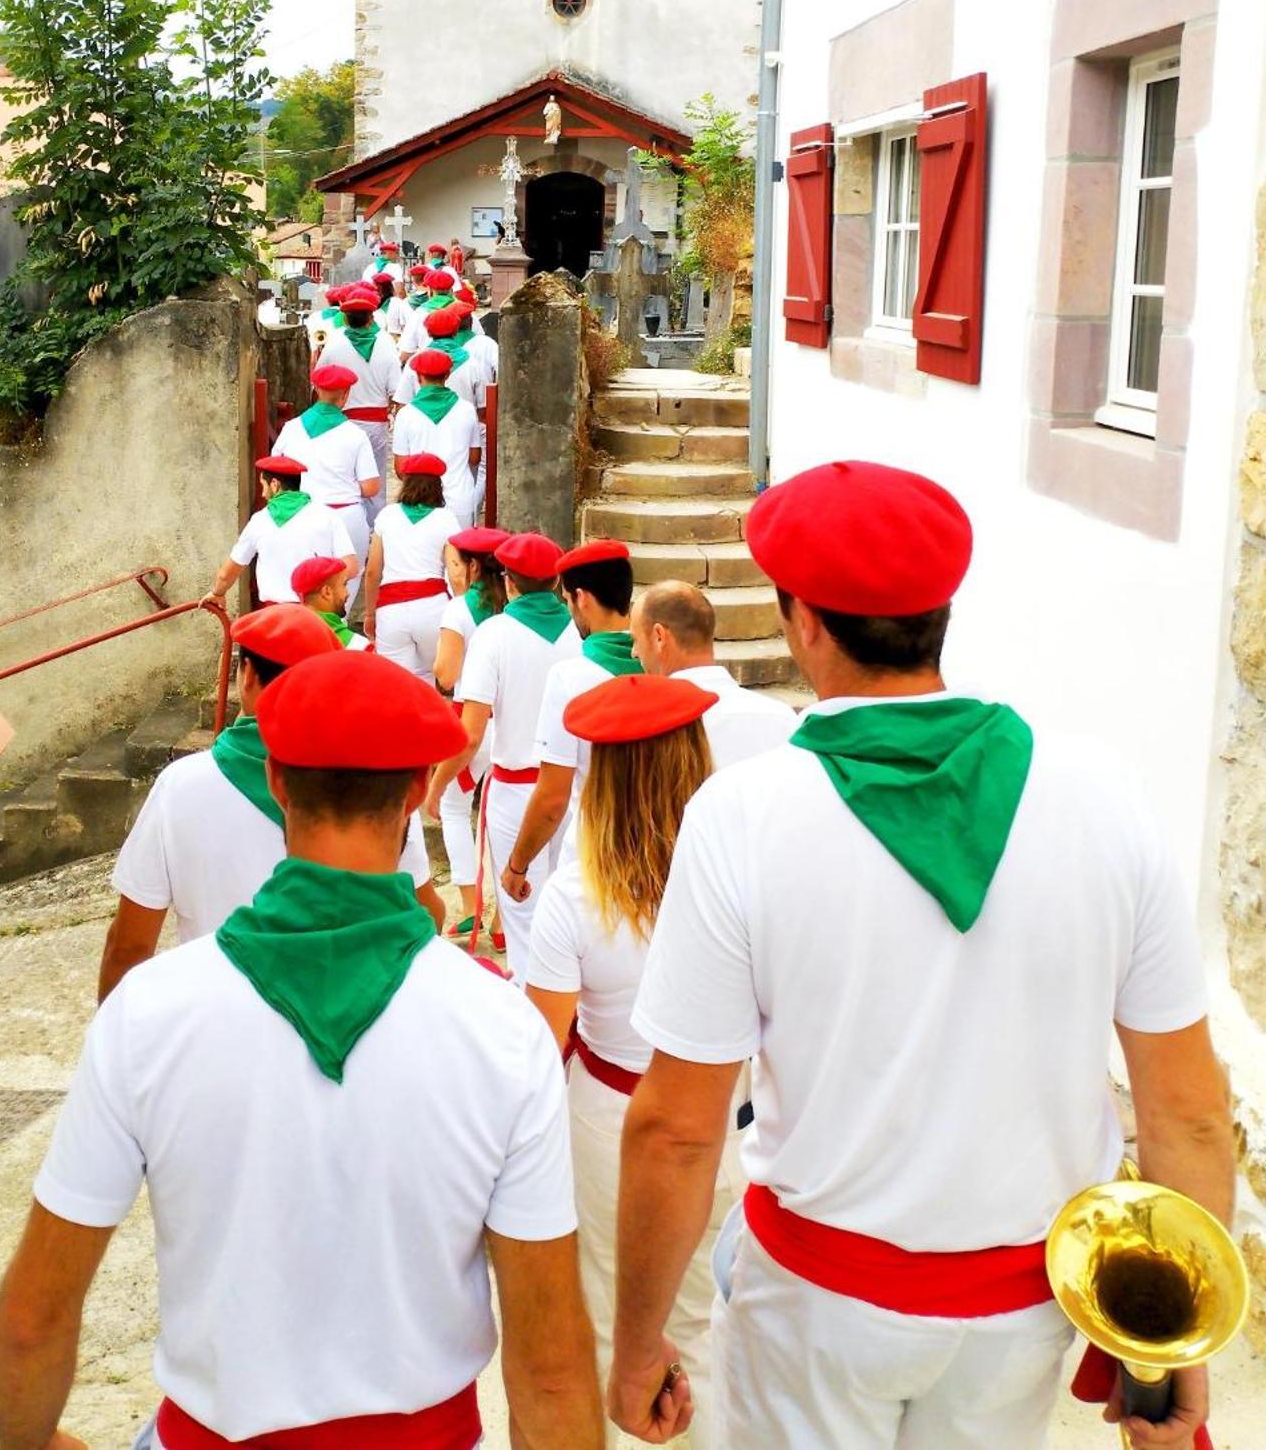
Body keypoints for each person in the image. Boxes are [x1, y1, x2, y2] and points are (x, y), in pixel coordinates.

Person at [611, 460, 1233, 1450]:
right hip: (1018, 1309)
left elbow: (674, 1132)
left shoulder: (741, 814)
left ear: (801, 619)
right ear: (939, 609)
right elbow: (1187, 1110)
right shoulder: (1103, 795)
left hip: (814, 1304)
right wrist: (1170, 1345)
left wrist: (637, 1340)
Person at [0, 652, 606, 1450]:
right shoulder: (501, 1027)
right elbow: (551, 1366)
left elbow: (33, 1320)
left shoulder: (148, 1013)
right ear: (419, 789)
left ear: (276, 781)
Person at [526, 675, 730, 1450]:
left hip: (611, 1122)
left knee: (618, 1317)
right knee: (714, 1317)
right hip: (730, 1118)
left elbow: (540, 1048)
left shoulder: (573, 899)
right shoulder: (740, 879)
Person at [97, 605, 340, 1000]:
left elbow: (129, 947)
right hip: (339, 1018)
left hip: (217, 1020)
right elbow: (423, 913)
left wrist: (113, 1043)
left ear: (246, 676)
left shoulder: (181, 785)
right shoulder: (373, 785)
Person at [430, 532, 580, 980]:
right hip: (570, 788)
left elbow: (471, 732)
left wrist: (436, 785)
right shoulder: (577, 632)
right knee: (562, 905)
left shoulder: (494, 634)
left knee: (521, 913)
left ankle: (535, 1013)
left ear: (509, 583)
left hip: (516, 792)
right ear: (555, 584)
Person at [502, 541, 640, 919]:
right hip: (654, 847)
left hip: (592, 852)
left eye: (567, 599)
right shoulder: (659, 667)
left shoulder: (569, 677)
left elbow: (552, 796)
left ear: (581, 598)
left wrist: (518, 863)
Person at [630, 580, 797, 769]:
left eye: (635, 640)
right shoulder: (781, 717)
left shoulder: (649, 727)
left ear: (659, 637)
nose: (634, 652)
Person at [433, 525, 508, 937]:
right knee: (499, 816)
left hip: (471, 724)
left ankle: (468, 903)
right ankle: (502, 921)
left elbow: (445, 673)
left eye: (453, 566)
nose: (450, 574)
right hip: (513, 725)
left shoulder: (459, 610)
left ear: (474, 566)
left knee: (452, 805)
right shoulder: (516, 608)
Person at [207, 453, 356, 610]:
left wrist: (217, 593)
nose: (263, 494)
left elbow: (227, 573)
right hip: (319, 615)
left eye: (263, 486)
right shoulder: (328, 515)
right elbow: (350, 567)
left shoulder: (259, 521)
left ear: (274, 484)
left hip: (276, 616)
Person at [271, 362, 381, 569]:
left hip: (299, 515)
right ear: (346, 394)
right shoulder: (356, 435)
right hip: (345, 516)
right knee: (346, 583)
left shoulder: (290, 429)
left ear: (316, 390)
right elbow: (371, 487)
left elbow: (274, 471)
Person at [363, 453, 459, 677]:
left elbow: (372, 572)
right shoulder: (446, 519)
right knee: (428, 677)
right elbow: (456, 574)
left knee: (395, 683)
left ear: (406, 482)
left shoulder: (387, 515)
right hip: (433, 608)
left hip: (391, 610)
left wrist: (370, 614)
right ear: (438, 486)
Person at [316, 284, 399, 526]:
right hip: (376, 424)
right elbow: (395, 389)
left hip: (342, 421)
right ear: (371, 316)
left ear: (345, 317)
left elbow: (318, 380)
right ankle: (374, 532)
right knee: (375, 479)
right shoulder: (385, 342)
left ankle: (348, 525)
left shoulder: (334, 343)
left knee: (345, 477)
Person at [392, 347, 481, 529]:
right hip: (460, 500)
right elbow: (474, 458)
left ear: (417, 377)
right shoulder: (466, 410)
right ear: (448, 375)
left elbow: (401, 469)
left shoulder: (406, 414)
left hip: (420, 503)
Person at [291, 554, 368, 650]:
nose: (348, 593)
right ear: (326, 592)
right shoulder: (357, 646)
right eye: (344, 584)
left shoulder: (286, 638)